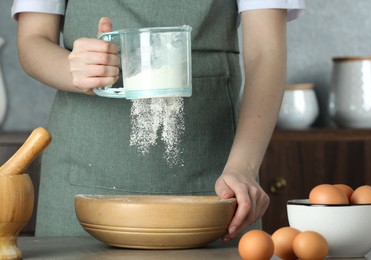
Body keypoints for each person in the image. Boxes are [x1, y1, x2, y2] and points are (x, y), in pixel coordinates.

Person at [12, 0, 305, 242]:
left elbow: (266, 52)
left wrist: (244, 167)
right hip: (83, 176)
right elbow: (33, 39)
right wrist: (74, 68)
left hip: (215, 178)